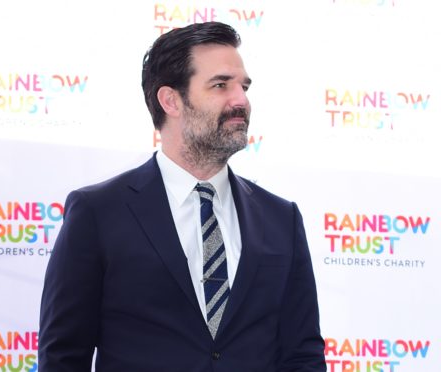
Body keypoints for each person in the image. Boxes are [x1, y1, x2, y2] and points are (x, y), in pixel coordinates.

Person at [39, 21, 326, 371]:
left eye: (243, 86)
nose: (241, 101)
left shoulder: (281, 218)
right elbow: (64, 355)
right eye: (220, 85)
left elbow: (302, 354)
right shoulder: (98, 212)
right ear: (171, 100)